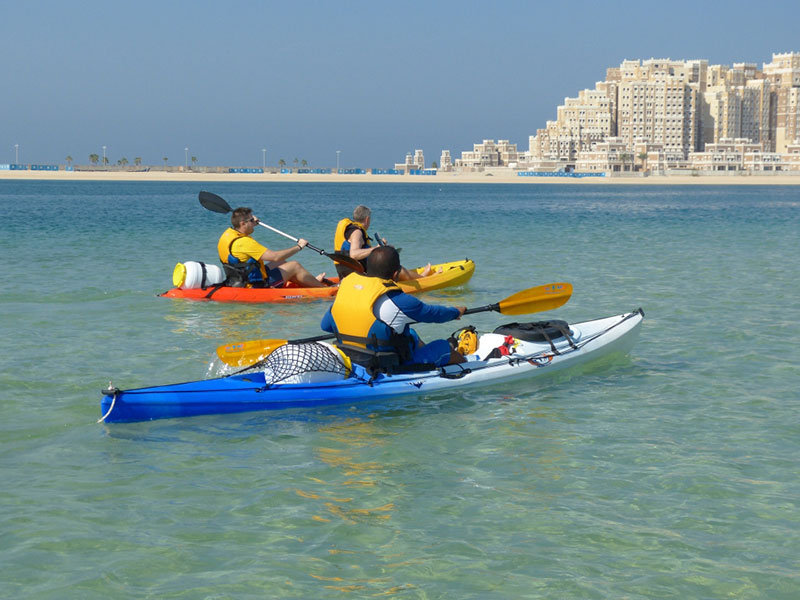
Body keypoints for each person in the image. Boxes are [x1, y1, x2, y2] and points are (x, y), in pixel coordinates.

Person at [321, 245, 466, 368]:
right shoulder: (400, 301)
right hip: (385, 363)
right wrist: (455, 312)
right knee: (443, 347)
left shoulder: (347, 290)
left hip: (350, 357)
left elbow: (326, 325)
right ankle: (467, 366)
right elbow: (433, 314)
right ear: (396, 274)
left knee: (412, 334)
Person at [217, 207, 330, 288]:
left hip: (240, 277)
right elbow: (274, 256)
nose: (254, 222)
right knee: (294, 265)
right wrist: (299, 247)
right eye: (251, 220)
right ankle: (323, 289)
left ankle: (310, 282)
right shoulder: (244, 242)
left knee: (282, 262)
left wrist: (252, 222)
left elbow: (277, 260)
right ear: (243, 223)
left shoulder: (229, 234)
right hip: (255, 284)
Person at [333, 205, 433, 280]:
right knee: (397, 268)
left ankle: (419, 277)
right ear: (367, 219)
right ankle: (423, 278)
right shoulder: (357, 232)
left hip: (346, 271)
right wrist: (378, 249)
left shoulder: (351, 230)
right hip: (359, 274)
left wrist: (380, 248)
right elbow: (354, 254)